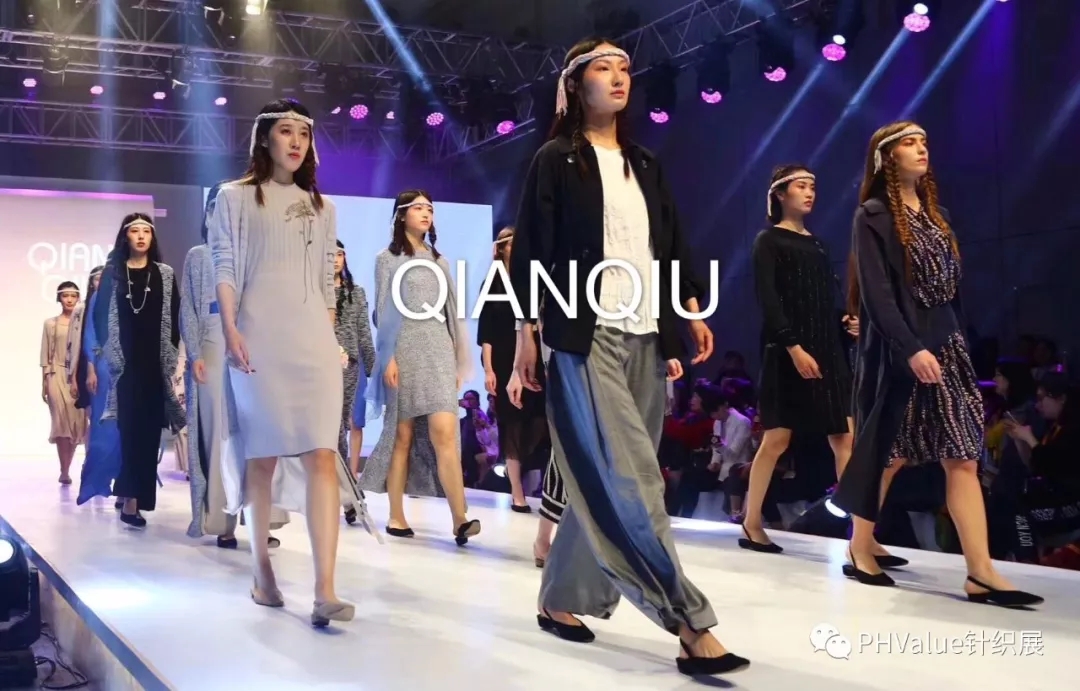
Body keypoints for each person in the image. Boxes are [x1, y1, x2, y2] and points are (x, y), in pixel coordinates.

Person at [508, 37, 748, 676]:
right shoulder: (556, 159)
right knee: (636, 479)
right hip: (583, 334)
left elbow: (668, 241)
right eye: (602, 69)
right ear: (575, 85)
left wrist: (689, 309)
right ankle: (689, 621)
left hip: (644, 332)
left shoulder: (644, 162)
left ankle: (561, 597)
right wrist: (526, 331)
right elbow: (533, 248)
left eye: (624, 69)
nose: (618, 78)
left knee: (608, 476)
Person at [832, 121, 1042, 608]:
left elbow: (949, 290)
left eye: (924, 141)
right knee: (890, 452)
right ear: (887, 157)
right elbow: (878, 295)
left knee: (963, 454)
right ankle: (860, 545)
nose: (921, 149)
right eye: (910, 143)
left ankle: (980, 572)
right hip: (903, 353)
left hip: (947, 346)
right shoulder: (872, 216)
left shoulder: (936, 215)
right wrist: (910, 348)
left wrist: (956, 341)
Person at [207, 98, 373, 627]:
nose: (297, 141)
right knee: (263, 456)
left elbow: (326, 279)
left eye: (304, 132)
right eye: (285, 131)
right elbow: (224, 263)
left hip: (312, 342)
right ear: (265, 138)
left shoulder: (322, 207)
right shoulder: (233, 197)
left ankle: (325, 589)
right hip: (257, 335)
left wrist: (328, 334)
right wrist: (231, 327)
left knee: (323, 452)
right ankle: (262, 571)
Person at [739, 165, 858, 552]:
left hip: (828, 350)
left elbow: (825, 298)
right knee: (777, 439)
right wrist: (793, 347)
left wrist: (846, 321)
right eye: (801, 186)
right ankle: (752, 521)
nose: (810, 193)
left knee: (845, 437)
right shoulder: (768, 241)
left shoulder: (819, 245)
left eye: (813, 187)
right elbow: (769, 301)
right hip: (786, 351)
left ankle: (861, 537)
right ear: (780, 194)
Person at [361, 190, 479, 544]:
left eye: (430, 208)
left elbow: (450, 312)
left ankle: (460, 518)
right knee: (403, 436)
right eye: (418, 208)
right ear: (401, 215)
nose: (426, 213)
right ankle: (396, 515)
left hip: (438, 349)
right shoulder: (387, 259)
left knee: (446, 432)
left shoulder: (440, 261)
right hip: (404, 348)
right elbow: (383, 310)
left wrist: (456, 358)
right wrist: (388, 357)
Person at [182, 183, 289, 547]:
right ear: (208, 212)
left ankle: (262, 522)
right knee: (218, 435)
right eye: (216, 205)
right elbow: (189, 309)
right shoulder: (198, 256)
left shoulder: (254, 254)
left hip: (253, 339)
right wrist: (194, 353)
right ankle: (222, 522)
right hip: (212, 342)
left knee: (257, 431)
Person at [96, 214, 185, 527]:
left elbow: (175, 316)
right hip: (124, 366)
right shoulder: (113, 273)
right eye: (135, 231)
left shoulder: (165, 274)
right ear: (126, 236)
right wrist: (109, 356)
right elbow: (100, 317)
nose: (141, 236)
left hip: (154, 365)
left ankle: (131, 495)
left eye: (146, 231)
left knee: (148, 434)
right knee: (128, 431)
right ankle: (130, 500)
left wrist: (170, 359)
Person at [478, 226, 548, 512]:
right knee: (512, 426)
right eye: (511, 243)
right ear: (501, 248)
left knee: (540, 421)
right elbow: (486, 332)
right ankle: (517, 492)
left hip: (532, 355)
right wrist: (488, 370)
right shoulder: (492, 283)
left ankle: (535, 480)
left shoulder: (533, 280)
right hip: (504, 358)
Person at [331, 239, 375, 526]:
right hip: (319, 365)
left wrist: (373, 370)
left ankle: (347, 495)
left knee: (341, 429)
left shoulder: (356, 293)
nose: (336, 259)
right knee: (332, 431)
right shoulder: (315, 292)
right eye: (330, 254)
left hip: (348, 368)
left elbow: (364, 333)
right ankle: (348, 495)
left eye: (340, 254)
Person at [74, 262, 122, 506]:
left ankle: (125, 487)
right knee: (104, 425)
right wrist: (91, 369)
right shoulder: (97, 300)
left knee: (127, 429)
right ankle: (98, 481)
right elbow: (91, 334)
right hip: (104, 368)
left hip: (131, 368)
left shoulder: (133, 296)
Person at [41, 281, 88, 484]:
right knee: (61, 423)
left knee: (76, 424)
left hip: (78, 376)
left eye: (73, 296)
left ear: (78, 298)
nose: (69, 300)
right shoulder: (50, 324)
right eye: (65, 295)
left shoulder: (83, 323)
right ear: (59, 298)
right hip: (56, 374)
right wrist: (44, 381)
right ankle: (64, 470)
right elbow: (46, 354)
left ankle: (69, 467)